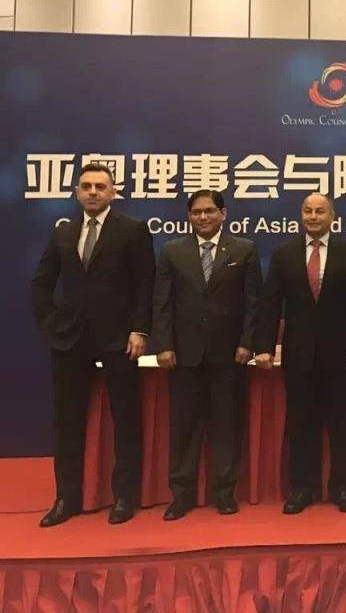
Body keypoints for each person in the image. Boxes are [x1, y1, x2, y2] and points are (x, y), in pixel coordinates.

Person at [31, 161, 155, 526]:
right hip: (70, 339)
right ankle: (66, 498)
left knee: (125, 419)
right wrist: (50, 324)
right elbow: (41, 282)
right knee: (67, 421)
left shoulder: (132, 229)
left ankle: (124, 497)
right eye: (86, 186)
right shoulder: (64, 232)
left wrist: (139, 330)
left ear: (113, 192)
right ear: (76, 193)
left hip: (119, 339)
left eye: (100, 186)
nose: (93, 192)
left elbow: (145, 285)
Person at [254, 193, 346, 514]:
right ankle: (302, 488)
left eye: (320, 211)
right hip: (299, 355)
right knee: (301, 424)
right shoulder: (284, 254)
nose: (313, 216)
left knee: (342, 424)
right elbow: (270, 304)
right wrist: (264, 347)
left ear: (332, 216)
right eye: (308, 211)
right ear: (301, 215)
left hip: (342, 356)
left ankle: (343, 487)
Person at [151, 189, 263, 520]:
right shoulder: (172, 251)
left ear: (223, 214)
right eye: (196, 212)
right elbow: (162, 302)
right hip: (184, 355)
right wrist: (164, 344)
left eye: (209, 211)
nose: (203, 217)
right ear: (189, 216)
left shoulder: (244, 249)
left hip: (229, 355)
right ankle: (181, 494)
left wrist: (247, 343)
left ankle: (224, 492)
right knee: (184, 427)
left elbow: (254, 303)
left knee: (226, 425)